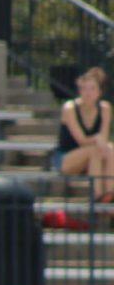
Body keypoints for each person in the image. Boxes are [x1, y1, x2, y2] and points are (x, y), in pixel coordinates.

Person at [52, 67, 114, 202]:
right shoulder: (70, 108)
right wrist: (98, 139)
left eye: (92, 89)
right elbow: (82, 140)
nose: (88, 93)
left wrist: (101, 142)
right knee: (95, 150)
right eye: (84, 89)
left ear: (100, 92)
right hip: (66, 158)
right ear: (79, 90)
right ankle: (97, 196)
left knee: (110, 148)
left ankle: (109, 194)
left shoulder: (105, 108)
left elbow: (103, 139)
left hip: (92, 158)